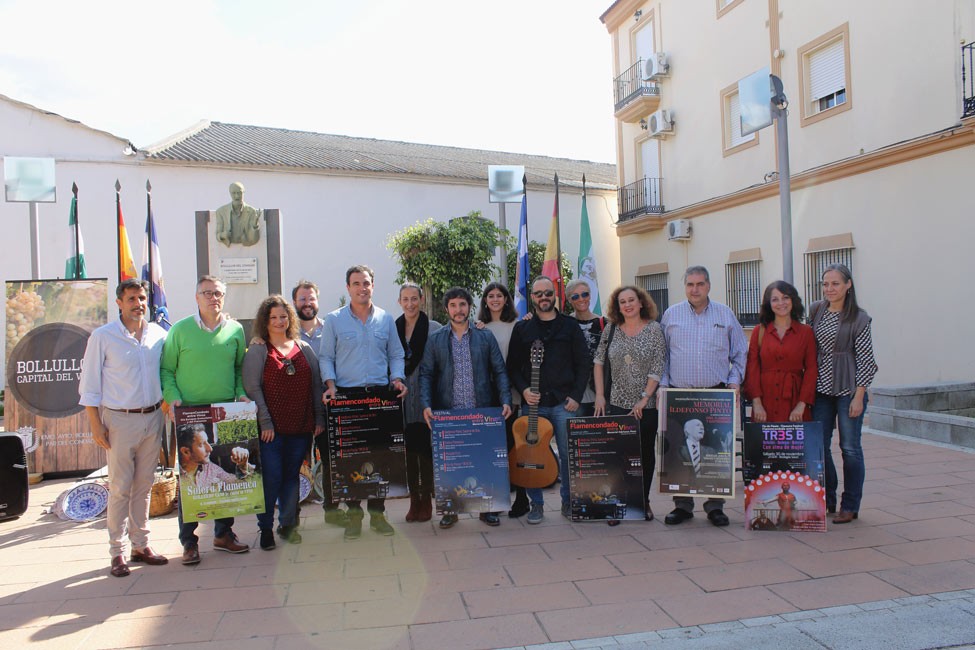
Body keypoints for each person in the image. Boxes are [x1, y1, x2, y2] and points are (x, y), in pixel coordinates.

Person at [78, 279, 169, 578]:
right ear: (119, 302)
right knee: (120, 488)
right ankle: (116, 552)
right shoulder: (103, 337)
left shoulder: (158, 334)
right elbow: (90, 386)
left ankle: (140, 545)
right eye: (131, 298)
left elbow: (168, 371)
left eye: (141, 298)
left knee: (143, 486)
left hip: (153, 417)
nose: (137, 303)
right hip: (119, 420)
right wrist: (95, 424)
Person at [161, 275, 250, 564]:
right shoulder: (180, 330)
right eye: (207, 293)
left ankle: (224, 534)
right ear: (196, 297)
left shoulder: (235, 330)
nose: (214, 298)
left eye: (218, 293)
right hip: (190, 414)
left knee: (222, 474)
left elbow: (238, 370)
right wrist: (172, 397)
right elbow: (167, 370)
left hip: (224, 413)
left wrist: (240, 394)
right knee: (189, 480)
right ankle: (189, 542)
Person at [319, 265, 406, 540]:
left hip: (380, 396)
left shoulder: (386, 319)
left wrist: (398, 378)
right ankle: (354, 517)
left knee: (381, 457)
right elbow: (325, 357)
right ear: (348, 288)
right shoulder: (334, 320)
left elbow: (396, 354)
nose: (361, 288)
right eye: (356, 283)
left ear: (372, 286)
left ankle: (378, 516)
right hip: (347, 398)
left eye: (366, 283)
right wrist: (331, 385)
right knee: (350, 460)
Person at [659, 266, 747, 527]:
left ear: (709, 285)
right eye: (689, 284)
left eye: (699, 284)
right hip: (679, 396)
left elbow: (740, 353)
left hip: (715, 396)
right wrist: (663, 388)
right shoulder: (671, 315)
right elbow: (662, 356)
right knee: (680, 451)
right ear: (684, 286)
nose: (694, 289)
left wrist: (734, 381)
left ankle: (714, 506)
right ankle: (683, 506)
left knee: (715, 452)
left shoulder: (725, 314)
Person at [419, 287, 512, 529]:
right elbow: (426, 375)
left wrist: (505, 400)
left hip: (481, 409)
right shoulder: (436, 339)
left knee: (483, 460)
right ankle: (451, 510)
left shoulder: (485, 336)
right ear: (446, 309)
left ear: (469, 307)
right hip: (448, 412)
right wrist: (426, 405)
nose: (458, 310)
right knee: (450, 463)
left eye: (462, 304)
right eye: (453, 305)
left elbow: (499, 370)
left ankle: (487, 509)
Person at [243, 295, 325, 550]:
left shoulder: (303, 348)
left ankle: (288, 525)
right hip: (271, 431)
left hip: (301, 428)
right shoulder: (258, 349)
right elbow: (252, 388)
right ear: (265, 322)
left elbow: (315, 386)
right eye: (273, 317)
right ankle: (265, 528)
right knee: (272, 479)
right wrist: (265, 422)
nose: (279, 321)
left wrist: (318, 418)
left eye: (283, 316)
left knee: (292, 478)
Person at [507, 276, 590, 524]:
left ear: (555, 296)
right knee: (529, 454)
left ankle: (567, 501)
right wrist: (523, 391)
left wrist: (576, 395)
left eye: (548, 293)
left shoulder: (569, 326)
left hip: (564, 403)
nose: (543, 297)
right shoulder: (522, 329)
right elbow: (512, 367)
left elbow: (583, 362)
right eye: (538, 294)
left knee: (567, 455)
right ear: (532, 297)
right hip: (533, 404)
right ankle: (537, 505)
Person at [809, 263, 878, 524]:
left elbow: (866, 359)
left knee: (849, 448)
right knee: (819, 446)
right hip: (821, 389)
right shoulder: (816, 310)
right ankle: (827, 497)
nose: (829, 289)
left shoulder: (859, 318)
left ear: (848, 285)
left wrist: (859, 396)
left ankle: (850, 505)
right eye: (825, 284)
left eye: (835, 283)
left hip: (849, 389)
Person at [593, 285, 665, 524]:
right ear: (618, 306)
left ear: (641, 302)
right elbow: (598, 361)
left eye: (631, 300)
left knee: (644, 456)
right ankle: (618, 503)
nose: (627, 305)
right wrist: (601, 394)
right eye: (622, 302)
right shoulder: (611, 329)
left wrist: (644, 398)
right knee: (619, 457)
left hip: (647, 406)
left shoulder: (654, 330)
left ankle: (642, 502)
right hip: (617, 403)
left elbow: (658, 366)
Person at [289, 279, 348, 528]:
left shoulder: (330, 328)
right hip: (298, 408)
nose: (307, 303)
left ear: (317, 300)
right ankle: (289, 518)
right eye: (302, 299)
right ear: (294, 302)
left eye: (311, 298)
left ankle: (332, 510)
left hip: (327, 406)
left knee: (331, 459)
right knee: (293, 462)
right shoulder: (287, 332)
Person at [477, 281, 529, 518]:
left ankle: (520, 498)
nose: (495, 299)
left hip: (513, 393)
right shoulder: (479, 327)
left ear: (507, 299)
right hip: (489, 396)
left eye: (500, 295)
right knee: (492, 449)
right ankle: (496, 500)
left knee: (512, 447)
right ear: (485, 301)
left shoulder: (517, 325)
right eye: (491, 296)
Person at [396, 282, 442, 523]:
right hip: (402, 400)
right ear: (399, 302)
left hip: (426, 398)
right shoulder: (393, 329)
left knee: (425, 452)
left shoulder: (434, 329)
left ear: (421, 300)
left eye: (414, 299)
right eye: (405, 299)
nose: (410, 304)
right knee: (408, 454)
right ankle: (414, 500)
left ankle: (427, 501)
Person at [745, 281, 817, 424]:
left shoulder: (806, 332)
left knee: (795, 445)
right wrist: (757, 404)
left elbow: (811, 369)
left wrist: (802, 404)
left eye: (785, 297)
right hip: (765, 402)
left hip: (794, 401)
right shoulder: (758, 332)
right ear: (768, 304)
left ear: (793, 300)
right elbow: (752, 368)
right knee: (764, 445)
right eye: (775, 299)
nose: (781, 303)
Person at [565, 278, 605, 417]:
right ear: (570, 300)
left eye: (585, 294)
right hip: (572, 394)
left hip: (598, 392)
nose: (581, 299)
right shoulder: (565, 324)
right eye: (575, 296)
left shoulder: (603, 324)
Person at [177, 423, 253, 488]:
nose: (210, 449)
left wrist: (243, 466)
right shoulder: (174, 477)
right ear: (186, 451)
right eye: (201, 444)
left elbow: (238, 484)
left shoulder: (210, 469)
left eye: (207, 442)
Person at [215, 181, 261, 247]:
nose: (237, 196)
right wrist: (223, 235)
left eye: (239, 193)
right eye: (233, 193)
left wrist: (255, 225)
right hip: (228, 247)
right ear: (230, 193)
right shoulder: (221, 212)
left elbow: (253, 239)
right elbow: (218, 235)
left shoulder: (252, 211)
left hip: (245, 243)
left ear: (243, 192)